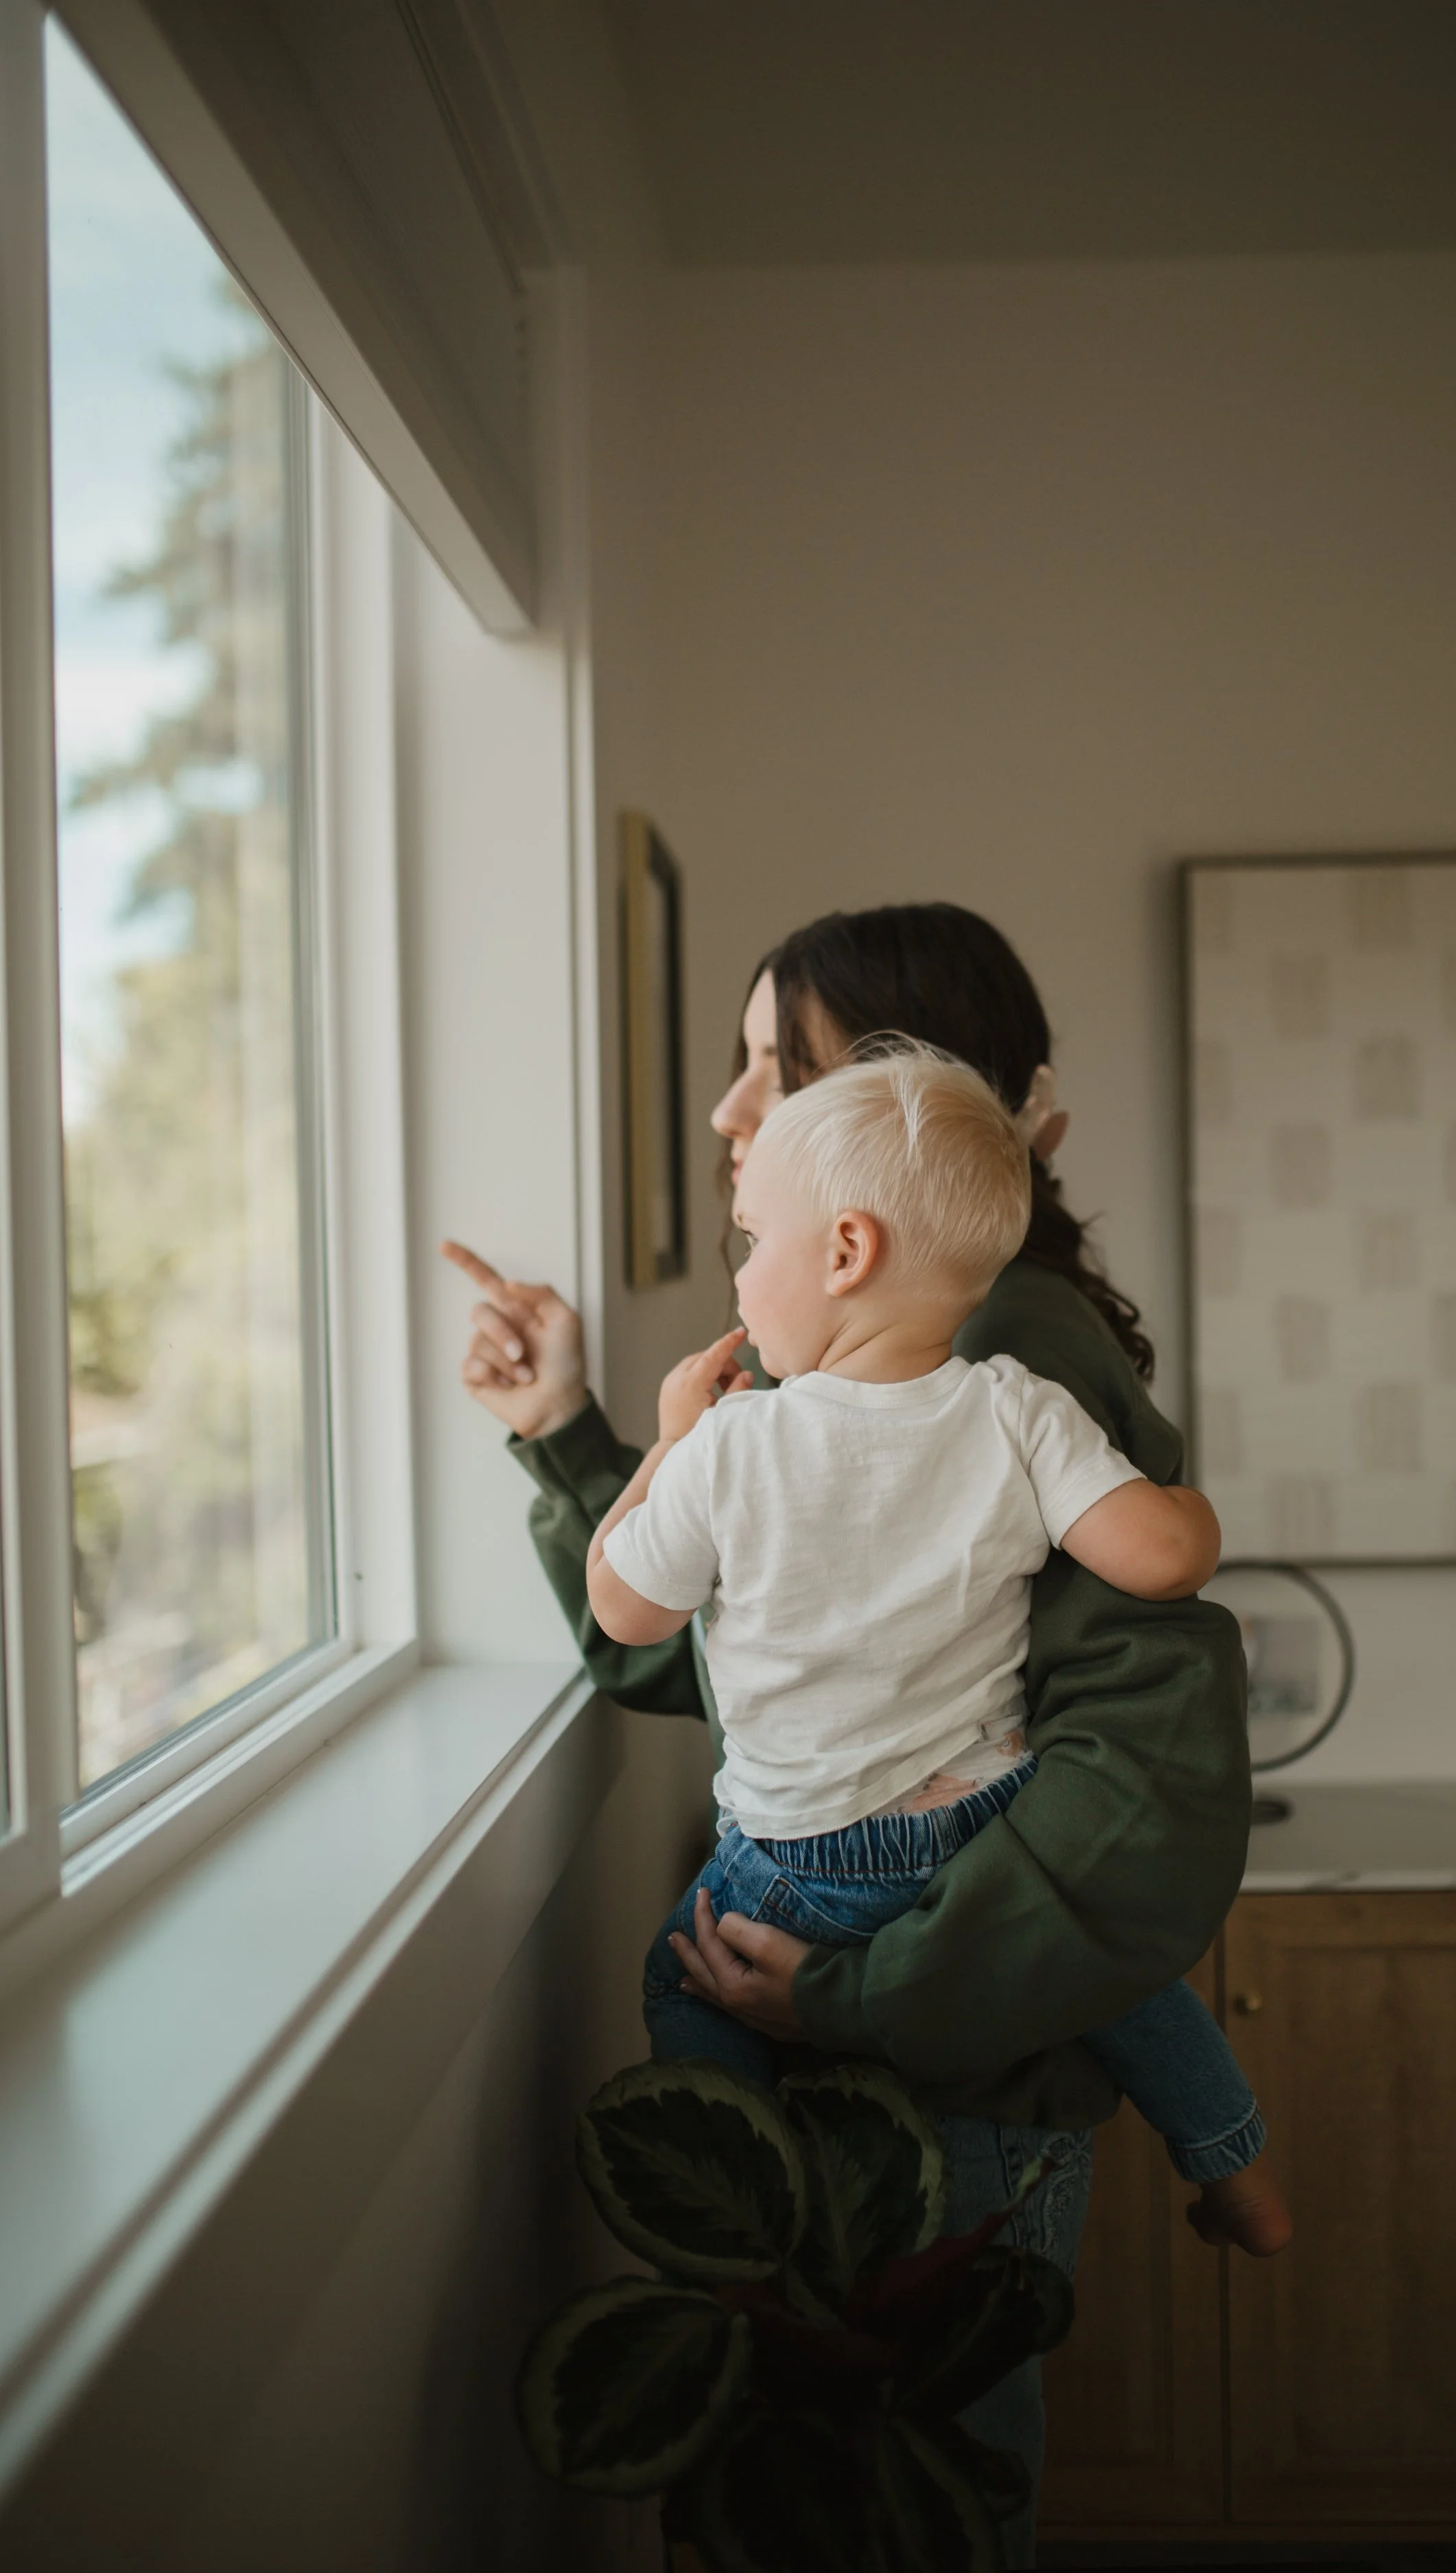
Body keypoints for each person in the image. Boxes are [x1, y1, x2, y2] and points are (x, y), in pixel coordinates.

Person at [445, 902, 1259, 2565]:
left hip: (941, 2056)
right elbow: (750, 1657)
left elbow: (1134, 1795)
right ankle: (1227, 2145)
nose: (736, 1117)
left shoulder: (1014, 1354)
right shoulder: (933, 1384)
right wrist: (571, 1437)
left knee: (912, 2509)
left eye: (775, 1069)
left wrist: (851, 1989)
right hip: (896, 2021)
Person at [587, 1044, 1287, 2255]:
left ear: (846, 1251)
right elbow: (1164, 1559)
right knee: (1119, 1979)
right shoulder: (1019, 1406)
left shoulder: (732, 1445)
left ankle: (740, 2227)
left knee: (680, 1973)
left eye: (753, 1239)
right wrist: (1199, 1508)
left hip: (797, 1859)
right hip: (978, 1826)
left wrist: (662, 1445)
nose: (744, 1271)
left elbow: (624, 1613)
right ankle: (1235, 2167)